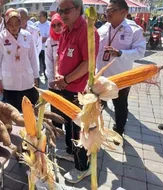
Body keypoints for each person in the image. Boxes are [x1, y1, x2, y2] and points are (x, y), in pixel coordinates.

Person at [53, 0, 100, 183]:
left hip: (79, 90)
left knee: (80, 129)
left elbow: (88, 64)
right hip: (65, 86)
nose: (63, 14)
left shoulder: (88, 31)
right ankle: (74, 154)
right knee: (70, 126)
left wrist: (65, 80)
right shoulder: (66, 30)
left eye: (67, 10)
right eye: (60, 11)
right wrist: (58, 74)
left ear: (78, 9)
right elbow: (60, 55)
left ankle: (83, 167)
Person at [96, 0, 146, 140]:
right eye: (107, 10)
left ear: (124, 12)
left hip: (120, 77)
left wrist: (121, 53)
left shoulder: (134, 30)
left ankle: (118, 131)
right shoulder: (102, 29)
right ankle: (97, 128)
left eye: (112, 10)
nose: (108, 13)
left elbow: (140, 51)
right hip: (101, 75)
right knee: (97, 104)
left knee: (120, 105)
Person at [0, 8, 39, 111]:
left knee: (29, 112)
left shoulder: (27, 35)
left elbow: (33, 58)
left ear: (20, 22)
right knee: (12, 113)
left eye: (17, 23)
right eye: (11, 23)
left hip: (27, 80)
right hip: (10, 83)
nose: (14, 27)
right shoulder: (0, 38)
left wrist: (36, 76)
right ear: (6, 23)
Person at [45, 13, 64, 129]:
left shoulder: (69, 37)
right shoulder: (50, 41)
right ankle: (57, 129)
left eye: (59, 24)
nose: (57, 28)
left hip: (68, 79)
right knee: (56, 106)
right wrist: (52, 79)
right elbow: (48, 62)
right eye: (54, 25)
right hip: (54, 80)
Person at [34, 11, 50, 78]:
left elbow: (50, 37)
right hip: (36, 47)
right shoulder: (35, 24)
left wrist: (45, 38)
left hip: (45, 47)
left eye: (40, 16)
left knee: (45, 62)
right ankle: (37, 76)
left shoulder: (49, 25)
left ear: (45, 17)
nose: (39, 18)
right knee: (36, 62)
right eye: (39, 16)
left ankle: (46, 75)